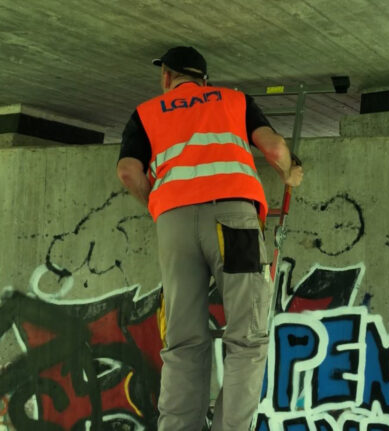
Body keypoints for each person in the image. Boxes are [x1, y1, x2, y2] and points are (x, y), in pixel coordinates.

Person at [116, 46, 302, 431]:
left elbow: (128, 173)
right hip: (234, 223)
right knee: (246, 339)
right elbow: (276, 149)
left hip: (174, 225)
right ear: (204, 80)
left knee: (183, 343)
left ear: (166, 77)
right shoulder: (234, 101)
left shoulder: (146, 113)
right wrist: (290, 173)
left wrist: (162, 202)